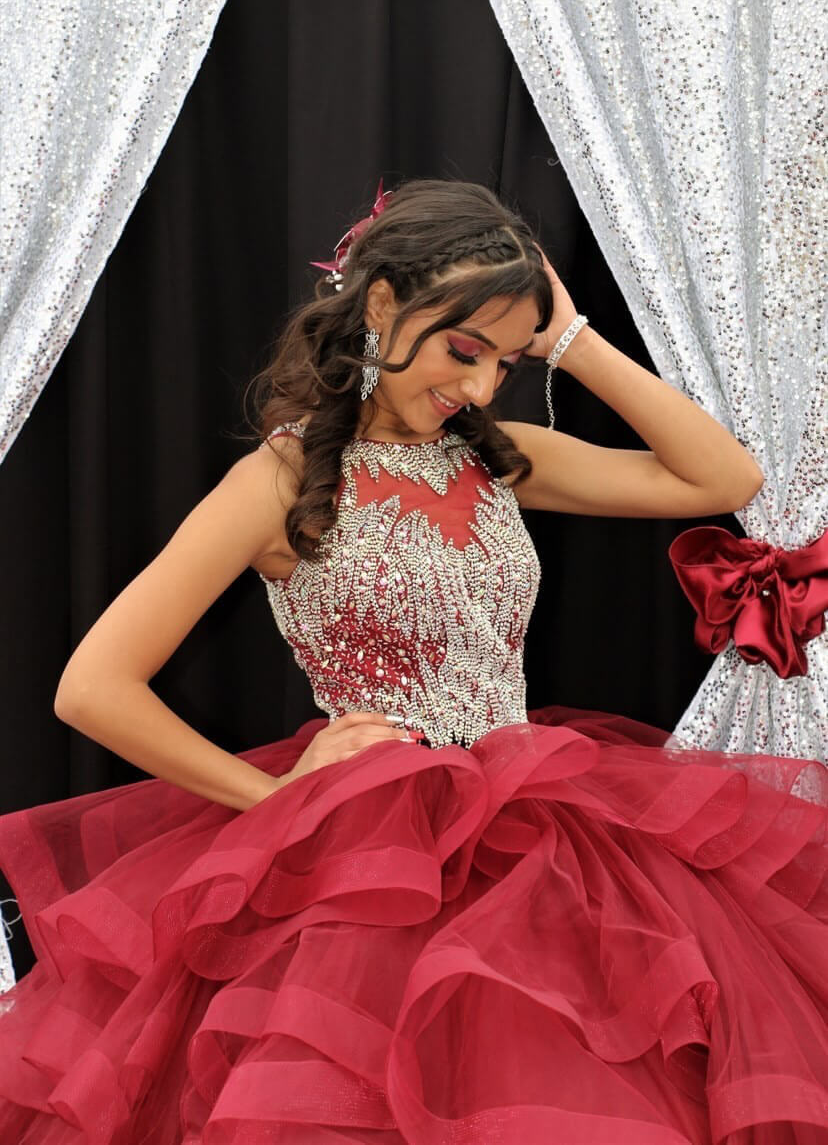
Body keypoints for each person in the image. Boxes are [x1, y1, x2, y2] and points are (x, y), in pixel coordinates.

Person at [0, 178, 825, 1144]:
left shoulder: (499, 455)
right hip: (367, 870)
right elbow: (92, 688)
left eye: (507, 364)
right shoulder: (277, 477)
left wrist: (570, 339)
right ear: (383, 305)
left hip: (546, 838)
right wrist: (276, 804)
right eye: (464, 351)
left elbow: (724, 478)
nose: (480, 388)